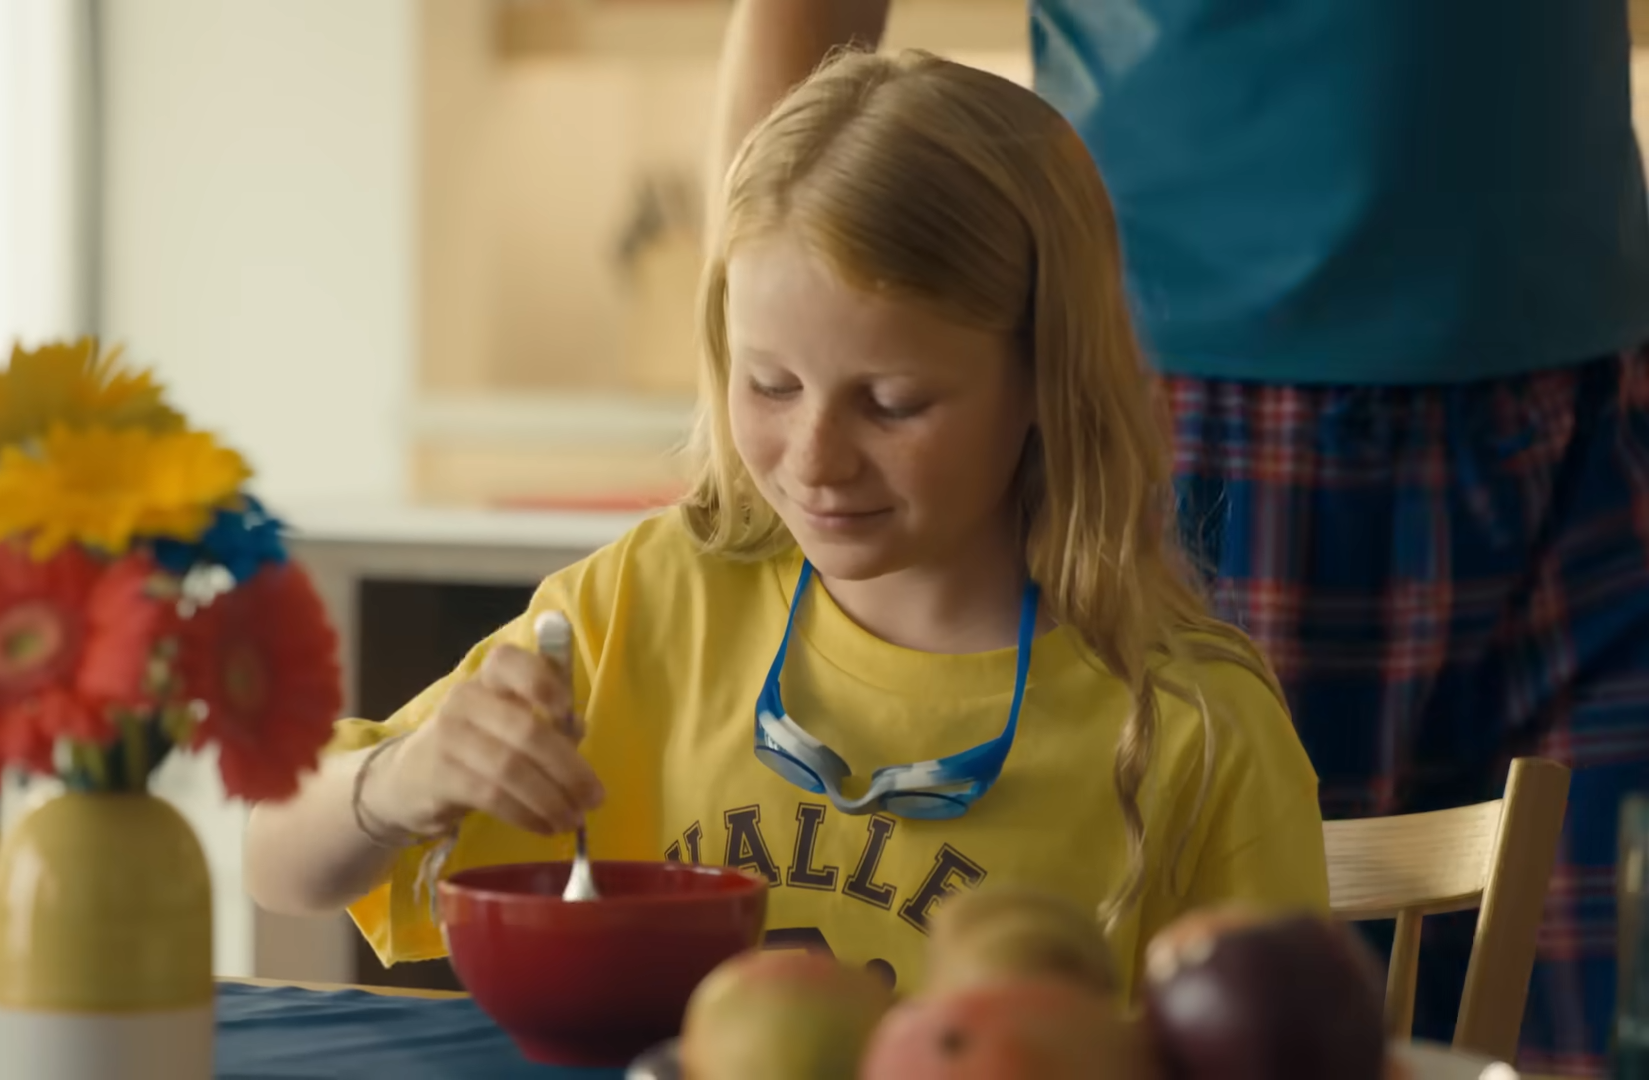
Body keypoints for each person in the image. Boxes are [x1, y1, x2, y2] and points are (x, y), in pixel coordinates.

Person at [245, 50, 1327, 999]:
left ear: (1048, 376)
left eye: (892, 404)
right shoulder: (648, 604)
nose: (814, 461)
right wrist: (407, 779)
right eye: (770, 385)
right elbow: (276, 856)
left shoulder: (1195, 728)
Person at [706, 1, 1649, 1072]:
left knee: (1608, 1022)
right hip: (1224, 407)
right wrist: (773, 368)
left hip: (1598, 386)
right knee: (1274, 1025)